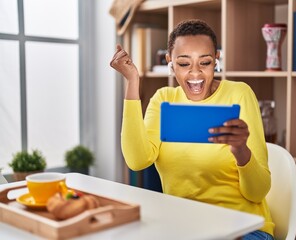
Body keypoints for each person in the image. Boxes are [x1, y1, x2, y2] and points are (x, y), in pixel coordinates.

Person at [110, 19, 274, 239]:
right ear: (170, 62)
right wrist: (132, 81)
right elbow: (137, 160)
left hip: (245, 227)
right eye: (184, 64)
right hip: (185, 226)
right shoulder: (163, 99)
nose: (195, 74)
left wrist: (241, 150)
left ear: (216, 60)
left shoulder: (239, 94)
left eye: (204, 63)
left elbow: (258, 193)